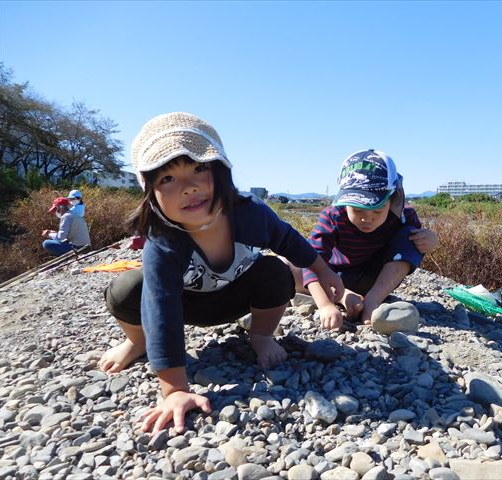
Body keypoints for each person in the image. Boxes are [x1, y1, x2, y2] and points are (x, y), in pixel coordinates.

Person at [98, 112, 343, 434]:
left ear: (222, 172)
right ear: (151, 194)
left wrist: (322, 270)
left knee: (275, 272)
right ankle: (137, 341)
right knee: (126, 289)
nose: (188, 187)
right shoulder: (164, 242)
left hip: (238, 296)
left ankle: (262, 336)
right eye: (167, 179)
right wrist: (174, 389)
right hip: (186, 304)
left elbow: (287, 239)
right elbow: (160, 307)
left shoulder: (248, 212)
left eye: (199, 168)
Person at [285, 149, 439, 330]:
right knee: (287, 264)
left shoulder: (403, 215)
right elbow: (311, 258)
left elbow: (412, 248)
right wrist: (325, 305)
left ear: (392, 199)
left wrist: (431, 242)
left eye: (377, 210)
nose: (367, 218)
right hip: (335, 277)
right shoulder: (333, 216)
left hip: (376, 280)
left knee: (412, 236)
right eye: (357, 210)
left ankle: (372, 301)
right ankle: (343, 296)